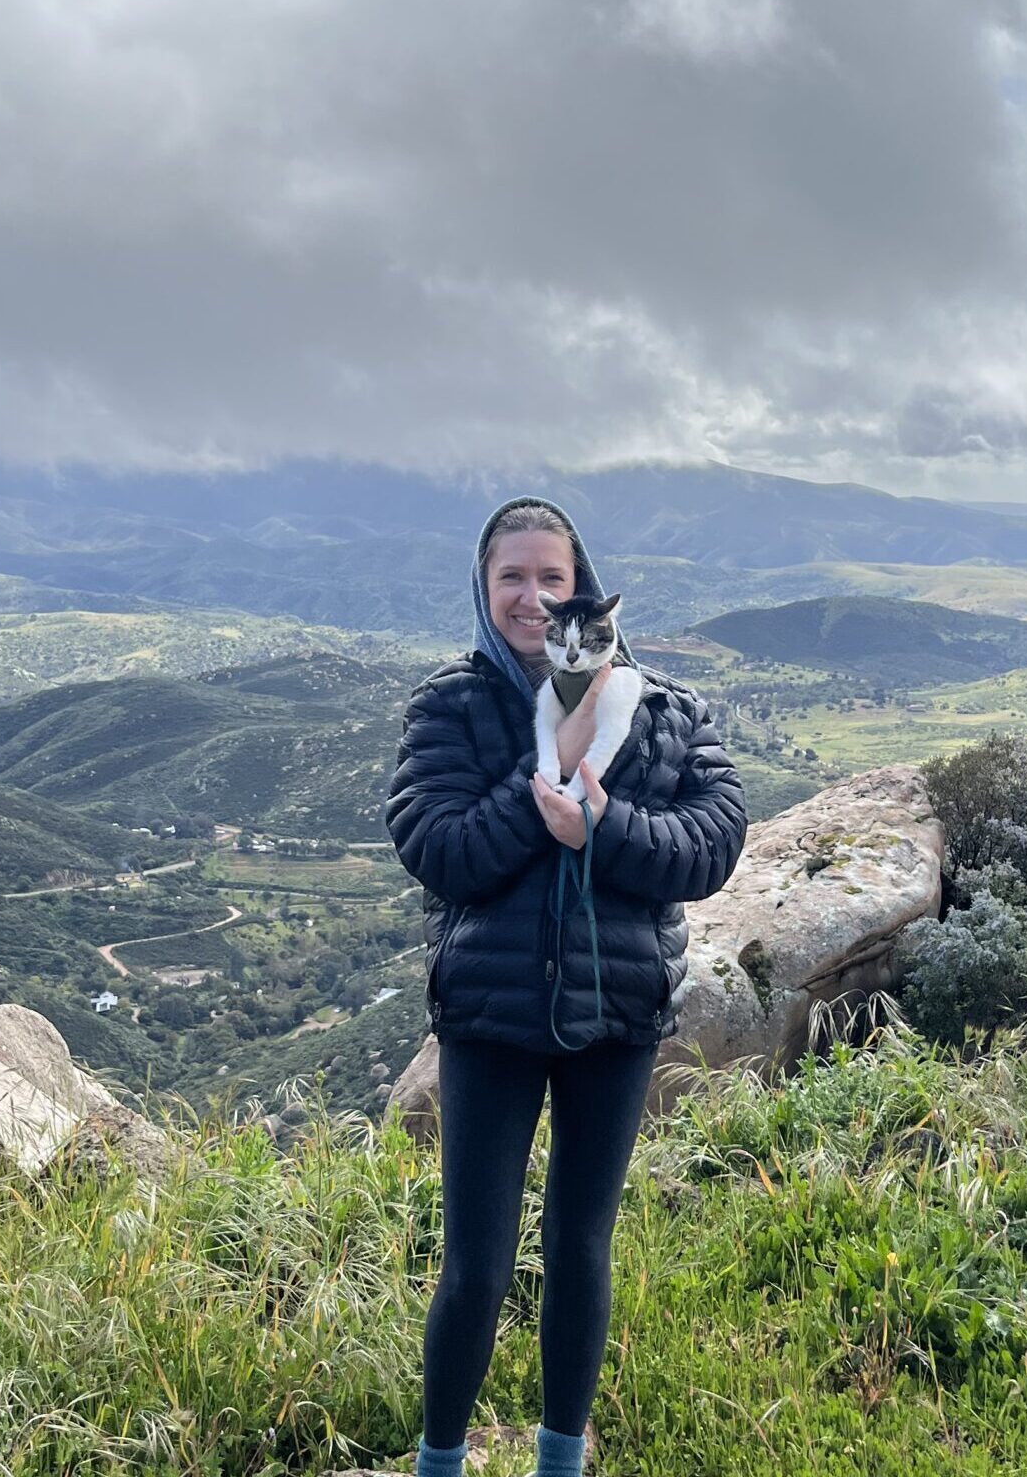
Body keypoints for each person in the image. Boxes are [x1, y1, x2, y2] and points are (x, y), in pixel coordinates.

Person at [384, 495, 748, 1477]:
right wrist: (537, 792)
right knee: (476, 1268)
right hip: (491, 1025)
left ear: (582, 587)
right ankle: (441, 1462)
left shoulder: (665, 711)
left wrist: (604, 831)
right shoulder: (450, 708)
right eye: (513, 578)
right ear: (484, 588)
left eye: (553, 578)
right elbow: (437, 846)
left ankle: (558, 1463)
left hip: (616, 1018)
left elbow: (713, 843)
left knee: (581, 1252)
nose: (534, 597)